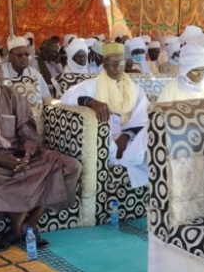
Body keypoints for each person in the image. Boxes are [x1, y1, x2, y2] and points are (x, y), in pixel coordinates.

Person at [0, 46, 81, 250]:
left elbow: (27, 129)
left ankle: (28, 223)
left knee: (71, 166)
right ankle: (20, 227)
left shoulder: (13, 95)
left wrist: (27, 153)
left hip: (18, 154)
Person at [60, 43, 150, 189]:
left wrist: (125, 137)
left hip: (131, 140)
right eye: (113, 64)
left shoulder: (135, 89)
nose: (118, 67)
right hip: (103, 140)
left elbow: (142, 117)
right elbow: (66, 98)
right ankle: (119, 158)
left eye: (121, 63)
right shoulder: (91, 85)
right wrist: (90, 102)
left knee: (155, 127)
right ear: (105, 65)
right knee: (100, 127)